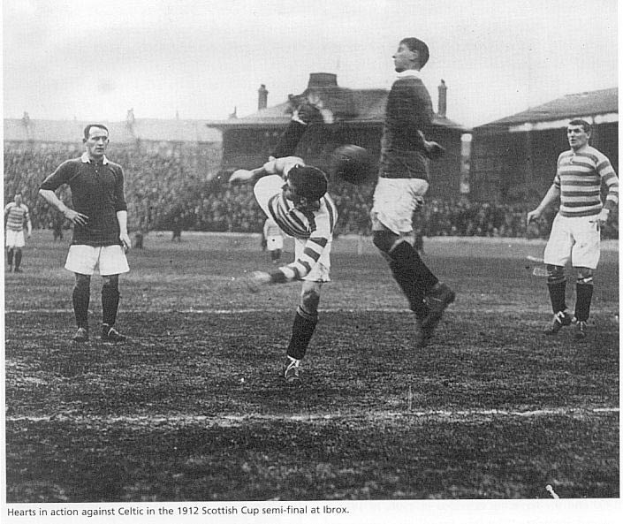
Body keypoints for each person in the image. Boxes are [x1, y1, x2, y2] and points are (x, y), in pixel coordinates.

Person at [229, 104, 336, 383]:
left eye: (289, 188)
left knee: (310, 297)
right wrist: (250, 174)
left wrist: (270, 277)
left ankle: (293, 361)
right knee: (278, 160)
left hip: (301, 233)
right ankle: (298, 122)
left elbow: (302, 267)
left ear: (303, 200)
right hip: (270, 202)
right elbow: (278, 164)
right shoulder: (290, 175)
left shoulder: (322, 224)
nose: (284, 186)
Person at [370, 37, 455, 347]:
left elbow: (407, 125)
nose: (395, 53)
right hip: (408, 170)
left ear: (415, 55)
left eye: (401, 49)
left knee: (383, 237)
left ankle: (436, 289)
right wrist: (424, 145)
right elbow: (419, 123)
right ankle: (422, 313)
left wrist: (419, 144)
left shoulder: (403, 85)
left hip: (399, 171)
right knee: (392, 247)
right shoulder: (417, 88)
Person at [39, 124, 132, 343]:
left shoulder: (116, 170)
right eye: (95, 138)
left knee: (112, 283)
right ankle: (82, 328)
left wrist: (124, 231)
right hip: (84, 236)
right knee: (82, 282)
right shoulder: (72, 166)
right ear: (85, 142)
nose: (100, 143)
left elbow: (120, 203)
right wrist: (65, 210)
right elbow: (45, 188)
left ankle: (108, 328)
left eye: (104, 139)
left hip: (110, 235)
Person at [526, 119, 618, 339]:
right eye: (569, 131)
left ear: (588, 134)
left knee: (584, 270)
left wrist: (606, 211)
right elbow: (557, 185)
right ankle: (560, 314)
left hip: (588, 219)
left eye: (577, 131)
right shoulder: (563, 157)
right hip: (564, 218)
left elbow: (615, 185)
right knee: (553, 264)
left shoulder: (597, 157)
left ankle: (582, 321)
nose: (572, 135)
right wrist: (539, 209)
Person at [4, 193, 32, 273]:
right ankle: (9, 266)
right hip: (10, 229)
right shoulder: (9, 206)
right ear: (14, 199)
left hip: (19, 230)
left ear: (21, 199)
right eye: (17, 198)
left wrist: (29, 231)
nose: (18, 200)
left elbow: (28, 220)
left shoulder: (24, 208)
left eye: (19, 198)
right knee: (10, 247)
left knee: (19, 249)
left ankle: (17, 267)